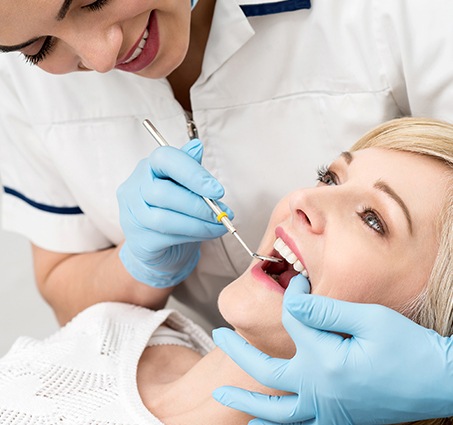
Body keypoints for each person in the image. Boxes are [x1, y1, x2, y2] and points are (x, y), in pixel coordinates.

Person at [0, 0, 453, 422]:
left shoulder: (405, 14)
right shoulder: (83, 355)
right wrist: (136, 267)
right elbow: (63, 276)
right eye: (37, 48)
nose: (99, 58)